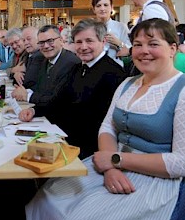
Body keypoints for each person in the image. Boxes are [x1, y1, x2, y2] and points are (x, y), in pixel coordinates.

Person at [26, 19, 185, 220]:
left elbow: (184, 164)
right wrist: (111, 166)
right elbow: (108, 127)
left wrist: (115, 161)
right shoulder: (128, 83)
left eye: (153, 44)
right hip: (116, 163)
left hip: (162, 181)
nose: (143, 51)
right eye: (137, 44)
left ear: (172, 48)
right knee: (47, 199)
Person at [19, 19, 126, 158]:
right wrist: (34, 110)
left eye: (89, 41)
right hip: (63, 137)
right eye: (79, 42)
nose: (83, 47)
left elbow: (103, 124)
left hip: (87, 148)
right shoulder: (78, 68)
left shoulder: (114, 73)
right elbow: (60, 100)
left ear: (103, 41)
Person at [12, 25, 80, 105]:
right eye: (41, 43)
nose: (46, 46)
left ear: (61, 40)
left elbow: (57, 101)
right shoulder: (46, 60)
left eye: (50, 41)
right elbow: (41, 89)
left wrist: (27, 96)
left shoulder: (70, 63)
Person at [92, 0, 131, 67]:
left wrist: (118, 43)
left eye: (106, 5)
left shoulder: (121, 27)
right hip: (94, 66)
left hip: (116, 67)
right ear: (94, 9)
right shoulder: (89, 27)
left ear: (111, 7)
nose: (102, 8)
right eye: (98, 6)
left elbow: (130, 50)